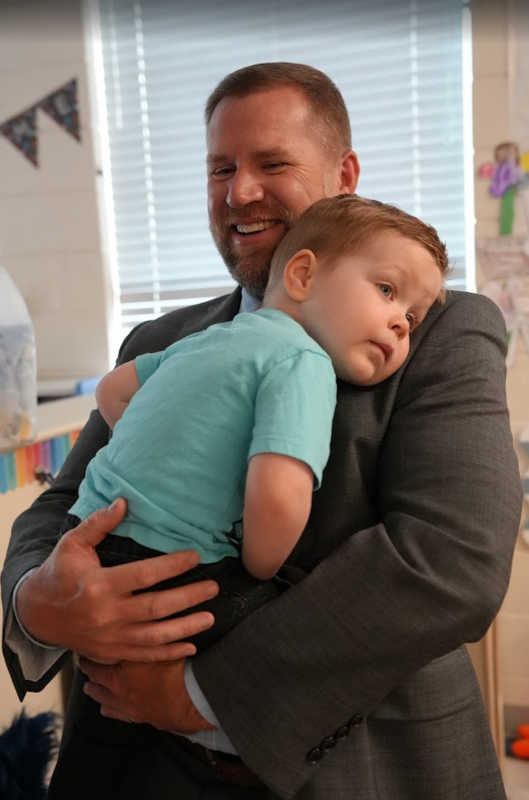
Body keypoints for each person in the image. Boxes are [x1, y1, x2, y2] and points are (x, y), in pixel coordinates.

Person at [0, 62, 522, 800]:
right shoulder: (161, 338)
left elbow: (449, 559)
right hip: (128, 765)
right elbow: (63, 503)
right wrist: (37, 600)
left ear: (344, 174)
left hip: (363, 768)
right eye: (220, 168)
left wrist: (201, 695)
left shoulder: (435, 331)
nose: (238, 191)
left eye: (271, 163)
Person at [62, 194, 447, 654]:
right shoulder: (304, 361)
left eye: (411, 316)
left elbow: (112, 391)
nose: (402, 325)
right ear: (303, 275)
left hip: (84, 538)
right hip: (171, 565)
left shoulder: (209, 339)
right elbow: (279, 497)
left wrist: (172, 449)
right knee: (296, 630)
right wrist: (258, 567)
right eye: (386, 289)